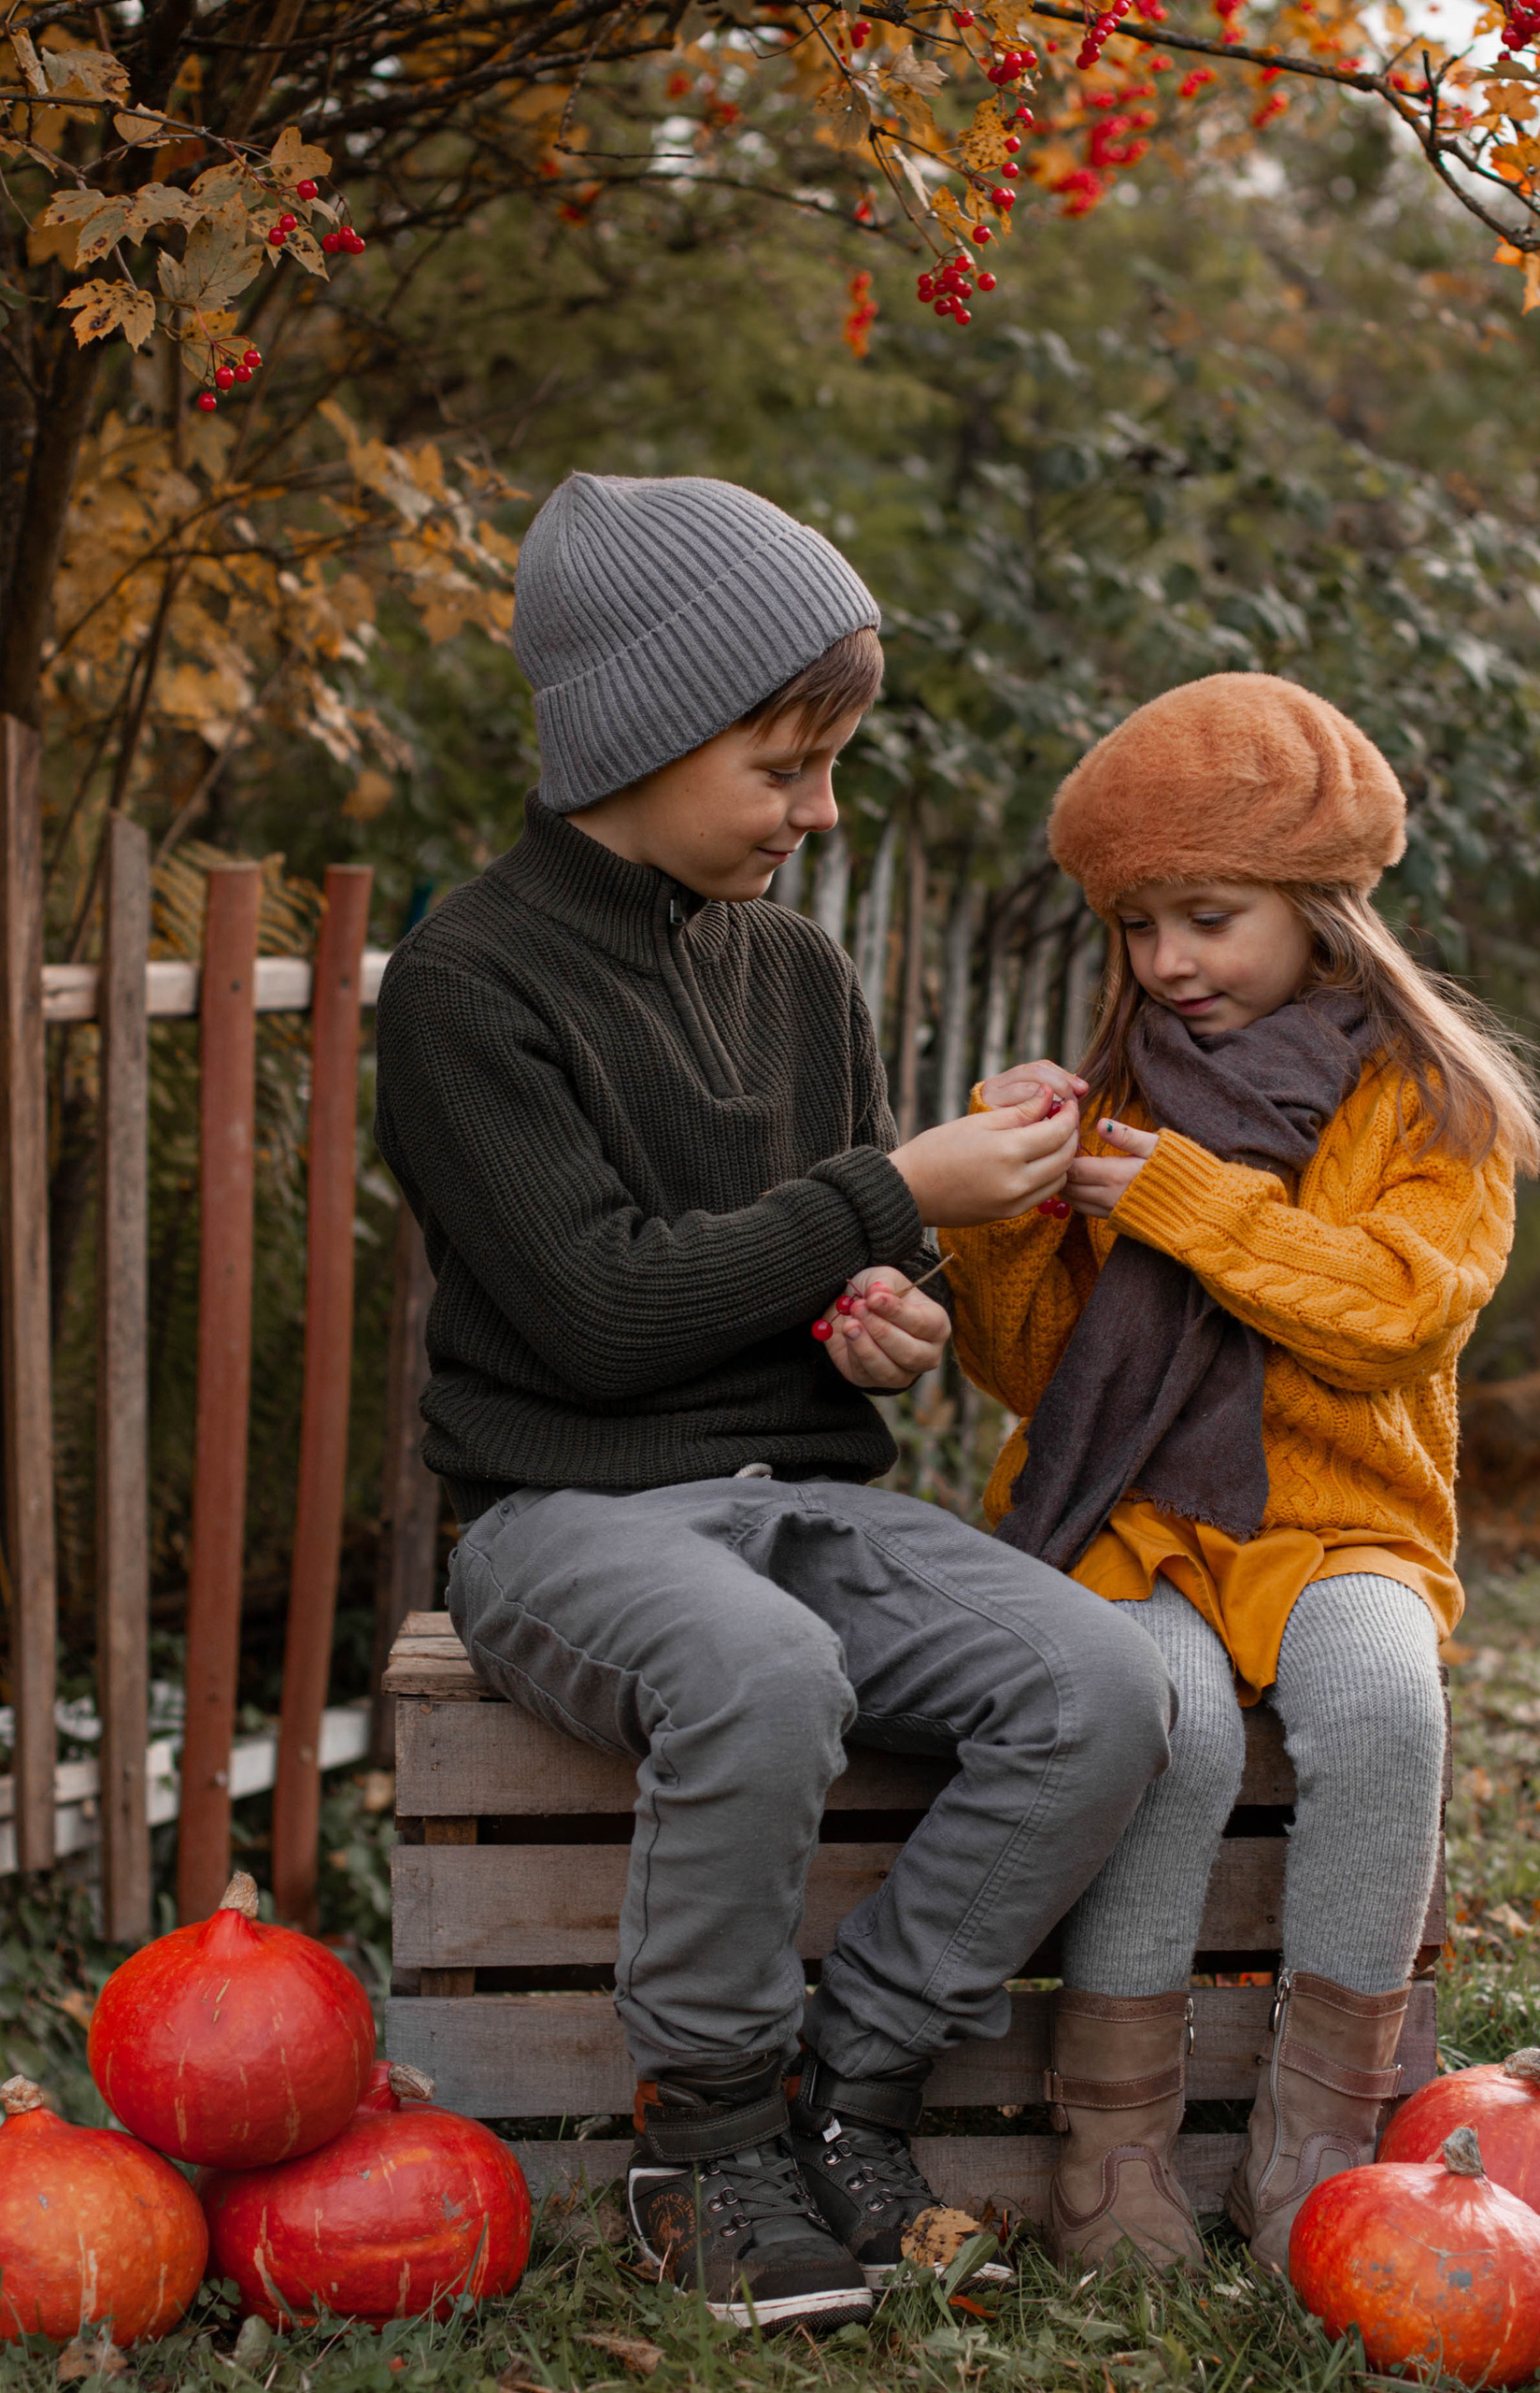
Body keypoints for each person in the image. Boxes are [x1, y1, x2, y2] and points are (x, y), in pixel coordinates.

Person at [371, 473, 1173, 2336]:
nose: (818, 812)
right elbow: (588, 1314)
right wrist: (891, 1194)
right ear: (642, 733)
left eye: (829, 766)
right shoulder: (468, 983)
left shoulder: (798, 969)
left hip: (809, 1497)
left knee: (1098, 1684)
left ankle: (858, 2071)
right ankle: (705, 2134)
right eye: (784, 766)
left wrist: (875, 1312)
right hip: (567, 1518)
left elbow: (799, 1259)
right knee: (756, 1666)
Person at [942, 671, 1540, 2277]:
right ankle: (1111, 2155)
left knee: (1382, 1705)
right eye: (1138, 931)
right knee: (1171, 1726)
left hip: (1344, 1517)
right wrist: (1001, 1209)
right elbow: (1033, 1367)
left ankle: (1320, 2145)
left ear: (1321, 903)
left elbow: (1396, 1316)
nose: (1167, 965)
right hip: (1138, 1525)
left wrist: (1191, 1207)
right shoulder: (1124, 1103)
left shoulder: (1435, 1106)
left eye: (1206, 917)